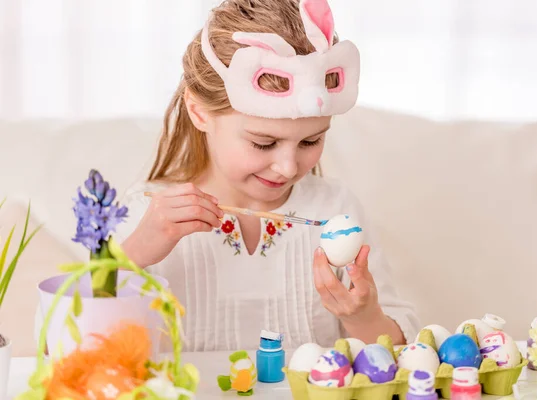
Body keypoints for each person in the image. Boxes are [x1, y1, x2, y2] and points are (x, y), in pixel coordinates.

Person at [115, 0, 420, 352]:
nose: (288, 168)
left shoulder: (335, 210)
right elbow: (68, 347)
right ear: (199, 112)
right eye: (263, 143)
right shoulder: (147, 212)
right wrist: (131, 256)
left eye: (311, 140)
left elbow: (401, 353)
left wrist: (362, 317)